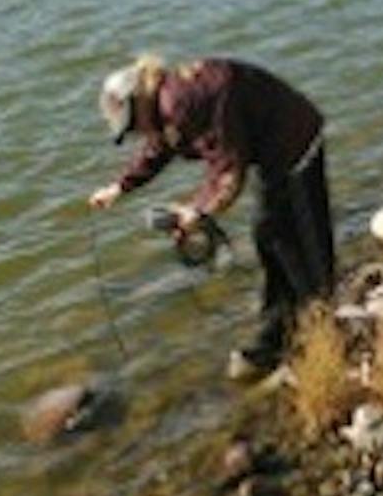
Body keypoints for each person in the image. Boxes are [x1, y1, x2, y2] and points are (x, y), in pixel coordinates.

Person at [88, 54, 335, 375]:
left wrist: (198, 211)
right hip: (270, 152)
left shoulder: (183, 102)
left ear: (139, 103)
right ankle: (279, 332)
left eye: (132, 126)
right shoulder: (163, 102)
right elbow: (160, 147)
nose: (136, 133)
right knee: (269, 236)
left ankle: (325, 331)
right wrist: (120, 187)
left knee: (297, 245)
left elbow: (229, 169)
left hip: (295, 142)